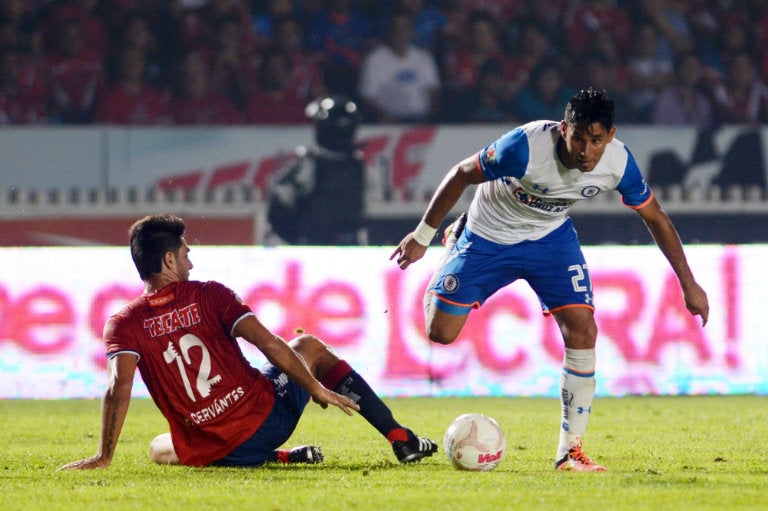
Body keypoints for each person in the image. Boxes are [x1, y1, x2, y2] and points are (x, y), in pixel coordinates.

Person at [390, 88, 709, 472]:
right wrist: (423, 236)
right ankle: (451, 251)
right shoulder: (524, 147)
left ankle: (570, 452)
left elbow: (655, 217)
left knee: (582, 328)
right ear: (563, 129)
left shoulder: (619, 163)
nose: (586, 152)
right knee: (440, 333)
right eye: (579, 138)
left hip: (549, 240)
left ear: (610, 135)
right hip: (487, 236)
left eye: (596, 141)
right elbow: (461, 174)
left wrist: (688, 283)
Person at [60, 214, 437, 469]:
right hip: (265, 422)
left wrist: (103, 455)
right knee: (309, 347)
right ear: (169, 260)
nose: (191, 261)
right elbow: (272, 345)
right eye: (186, 254)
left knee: (159, 447)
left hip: (213, 448)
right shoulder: (210, 295)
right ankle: (399, 436)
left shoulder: (123, 323)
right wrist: (316, 388)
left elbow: (118, 386)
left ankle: (277, 458)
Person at [267, 95, 366, 245]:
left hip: (322, 246)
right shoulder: (360, 165)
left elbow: (279, 204)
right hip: (329, 246)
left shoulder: (308, 164)